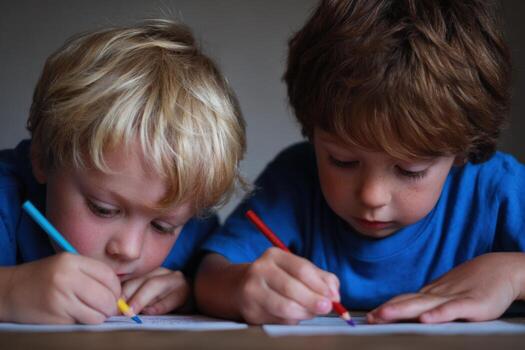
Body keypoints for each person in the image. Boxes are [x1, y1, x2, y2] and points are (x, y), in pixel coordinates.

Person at [195, 0, 525, 325]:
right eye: (342, 161)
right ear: (313, 134)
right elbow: (210, 275)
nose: (372, 196)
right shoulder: (295, 181)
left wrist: (514, 275)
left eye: (410, 170)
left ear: (462, 152)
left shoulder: (499, 191)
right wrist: (240, 287)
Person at [0, 19, 246, 324]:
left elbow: (213, 280)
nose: (129, 250)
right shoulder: (5, 198)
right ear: (42, 157)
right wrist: (9, 291)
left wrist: (189, 292)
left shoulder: (191, 232)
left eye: (162, 228)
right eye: (103, 209)